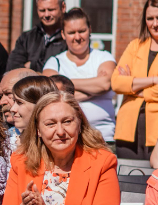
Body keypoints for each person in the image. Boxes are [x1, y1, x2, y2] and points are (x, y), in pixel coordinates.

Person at [43, 8, 117, 142]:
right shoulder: (55, 62)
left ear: (90, 30)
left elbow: (105, 83)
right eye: (71, 33)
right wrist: (96, 90)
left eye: (81, 31)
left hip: (104, 137)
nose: (77, 37)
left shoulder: (103, 57)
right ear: (63, 34)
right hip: (65, 139)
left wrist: (66, 86)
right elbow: (50, 94)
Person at [112, 0, 158, 160]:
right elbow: (116, 82)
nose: (155, 24)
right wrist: (153, 81)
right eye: (150, 18)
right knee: (128, 179)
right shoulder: (135, 46)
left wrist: (138, 90)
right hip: (127, 129)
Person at [7, 0, 66, 72]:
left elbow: (66, 67)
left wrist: (32, 65)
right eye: (42, 10)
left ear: (63, 7)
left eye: (51, 10)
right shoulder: (27, 38)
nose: (46, 15)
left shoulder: (70, 36)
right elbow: (13, 68)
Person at [7, 75, 58, 153]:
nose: (12, 109)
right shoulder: (7, 143)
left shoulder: (59, 142)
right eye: (14, 101)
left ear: (40, 105)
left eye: (19, 103)